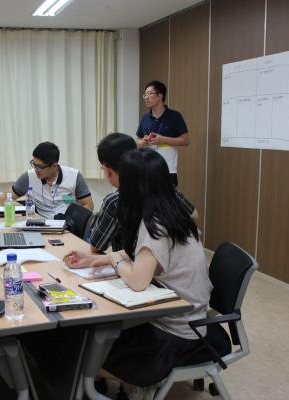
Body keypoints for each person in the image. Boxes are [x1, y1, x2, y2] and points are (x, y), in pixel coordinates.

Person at [64, 148, 224, 398]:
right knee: (94, 341)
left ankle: (121, 385)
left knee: (85, 359)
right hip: (182, 317)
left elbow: (138, 281)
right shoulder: (173, 212)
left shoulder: (155, 226)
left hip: (176, 333)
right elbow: (144, 260)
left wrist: (114, 259)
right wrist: (94, 260)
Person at [88, 133, 200, 253]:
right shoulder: (165, 189)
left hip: (133, 262)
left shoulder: (115, 201)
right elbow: (194, 216)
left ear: (108, 170)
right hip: (167, 260)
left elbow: (96, 246)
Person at [0, 142, 93, 219]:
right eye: (34, 164)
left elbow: (89, 205)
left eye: (40, 167)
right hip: (42, 225)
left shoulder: (74, 176)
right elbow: (7, 197)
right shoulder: (29, 177)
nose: (36, 170)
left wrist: (73, 220)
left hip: (67, 226)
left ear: (54, 166)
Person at [137, 80, 189, 187]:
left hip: (168, 169)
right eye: (145, 94)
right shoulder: (145, 118)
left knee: (168, 197)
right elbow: (138, 140)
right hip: (147, 168)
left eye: (149, 94)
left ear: (160, 96)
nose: (146, 97)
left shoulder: (175, 116)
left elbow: (185, 141)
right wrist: (142, 142)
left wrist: (163, 139)